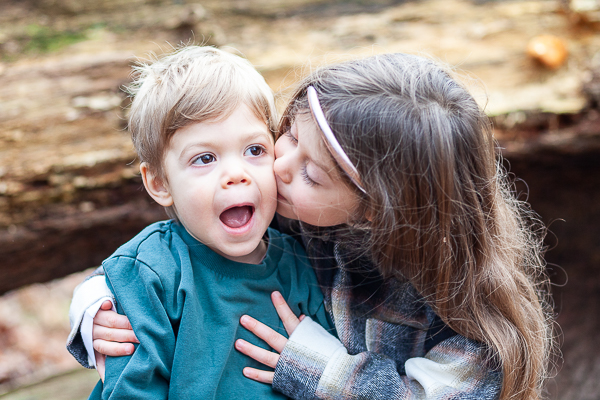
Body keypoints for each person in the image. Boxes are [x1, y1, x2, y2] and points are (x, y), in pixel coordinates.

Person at [69, 52, 554, 400]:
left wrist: (325, 372)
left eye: (311, 174)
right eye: (289, 138)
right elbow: (161, 265)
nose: (275, 169)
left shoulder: (465, 312)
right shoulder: (282, 217)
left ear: (376, 213)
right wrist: (96, 304)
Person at [67, 44, 334, 400]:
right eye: (205, 158)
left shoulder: (303, 263)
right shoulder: (152, 273)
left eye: (254, 150)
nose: (235, 174)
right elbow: (132, 388)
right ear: (159, 183)